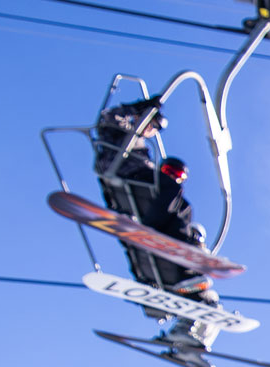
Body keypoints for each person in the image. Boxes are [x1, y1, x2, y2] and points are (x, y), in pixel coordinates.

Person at [94, 99, 222, 350]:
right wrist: (140, 108)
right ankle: (188, 253)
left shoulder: (137, 147)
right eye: (154, 125)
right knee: (177, 197)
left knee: (209, 300)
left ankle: (189, 342)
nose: (153, 131)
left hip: (139, 188)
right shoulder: (123, 137)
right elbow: (109, 117)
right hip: (133, 178)